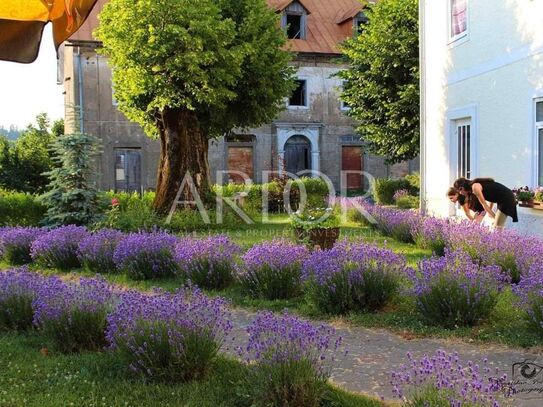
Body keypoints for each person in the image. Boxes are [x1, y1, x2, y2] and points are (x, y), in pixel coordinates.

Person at [453, 177, 518, 228]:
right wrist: (490, 212)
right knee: (497, 225)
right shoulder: (474, 186)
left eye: (459, 192)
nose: (460, 194)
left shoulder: (475, 187)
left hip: (506, 199)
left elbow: (484, 204)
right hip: (503, 199)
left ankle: (498, 244)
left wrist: (494, 217)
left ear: (461, 188)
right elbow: (491, 195)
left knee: (497, 227)